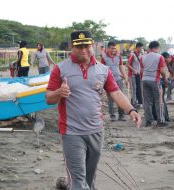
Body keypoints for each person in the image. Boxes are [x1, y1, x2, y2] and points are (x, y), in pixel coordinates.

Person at [46, 30, 141, 190]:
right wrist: (58, 93)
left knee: (90, 180)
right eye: (79, 46)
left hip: (97, 131)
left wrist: (131, 110)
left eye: (87, 46)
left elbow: (116, 93)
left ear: (93, 45)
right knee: (78, 180)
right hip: (71, 132)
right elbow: (49, 98)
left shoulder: (103, 70)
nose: (84, 50)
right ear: (71, 47)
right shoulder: (60, 69)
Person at [140, 41, 168, 127]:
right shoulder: (160, 57)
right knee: (158, 101)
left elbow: (141, 71)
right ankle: (160, 121)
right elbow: (162, 71)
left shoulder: (142, 57)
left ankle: (148, 121)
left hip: (145, 80)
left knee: (147, 101)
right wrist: (165, 78)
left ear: (149, 48)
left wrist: (143, 79)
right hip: (155, 80)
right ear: (157, 48)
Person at [101, 41, 129, 121]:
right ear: (108, 48)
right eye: (112, 48)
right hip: (108, 81)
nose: (114, 50)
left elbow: (121, 67)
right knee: (110, 99)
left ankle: (121, 115)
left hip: (118, 80)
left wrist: (125, 77)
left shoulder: (118, 57)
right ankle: (112, 115)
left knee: (120, 97)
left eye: (114, 48)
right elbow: (102, 70)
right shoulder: (104, 58)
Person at [126, 42, 144, 108]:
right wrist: (134, 70)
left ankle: (137, 101)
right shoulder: (132, 55)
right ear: (138, 48)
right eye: (141, 48)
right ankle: (134, 103)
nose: (142, 49)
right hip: (132, 75)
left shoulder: (140, 55)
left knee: (138, 88)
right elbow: (127, 64)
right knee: (133, 89)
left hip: (138, 75)